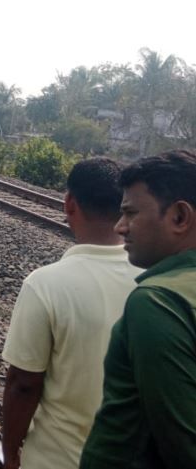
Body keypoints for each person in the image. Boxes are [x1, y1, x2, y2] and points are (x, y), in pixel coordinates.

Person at [0, 158, 140, 469]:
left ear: (70, 203)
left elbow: (23, 384)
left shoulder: (45, 283)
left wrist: (10, 453)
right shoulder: (153, 278)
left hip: (55, 459)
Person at [80, 150, 196, 469]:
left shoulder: (158, 301)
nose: (120, 227)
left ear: (180, 217)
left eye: (131, 213)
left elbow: (184, 447)